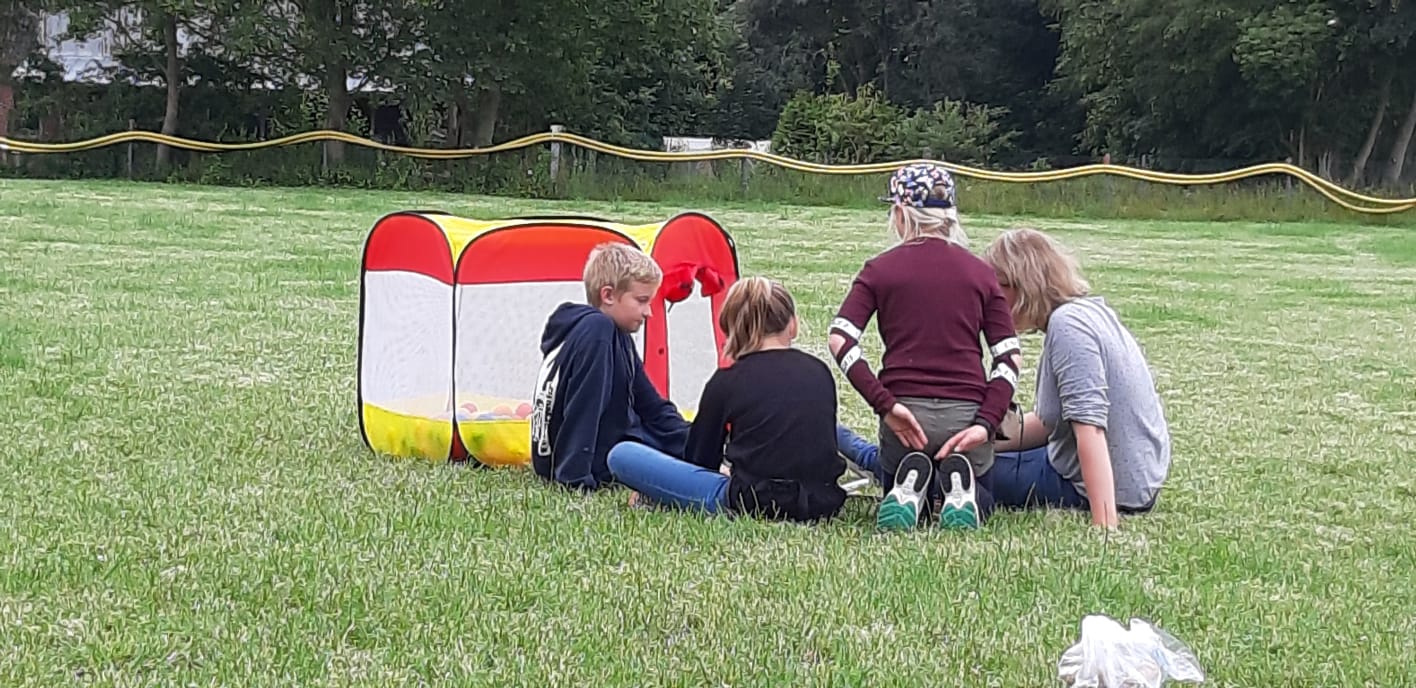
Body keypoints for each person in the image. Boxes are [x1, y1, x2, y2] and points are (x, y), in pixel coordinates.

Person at [829, 163, 1022, 531]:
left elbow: (840, 338)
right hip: (966, 417)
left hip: (906, 416)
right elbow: (1008, 358)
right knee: (984, 498)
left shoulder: (879, 270)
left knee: (897, 473)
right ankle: (960, 491)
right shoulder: (981, 274)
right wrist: (985, 423)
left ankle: (909, 488)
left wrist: (885, 405)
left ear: (901, 214)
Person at [607, 277, 882, 522]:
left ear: (731, 329)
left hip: (752, 501)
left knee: (622, 455)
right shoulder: (819, 371)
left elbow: (700, 460)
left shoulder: (726, 382)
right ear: (793, 324)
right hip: (822, 501)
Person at [981, 228, 1172, 529]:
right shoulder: (1090, 312)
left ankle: (888, 464)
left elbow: (1090, 427)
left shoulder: (1068, 328)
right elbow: (1048, 423)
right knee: (973, 457)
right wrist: (981, 438)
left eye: (995, 291)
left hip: (1106, 487)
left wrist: (1105, 525)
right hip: (1130, 478)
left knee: (959, 474)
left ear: (1022, 286)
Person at [530, 242, 691, 491]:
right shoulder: (597, 330)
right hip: (594, 458)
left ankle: (714, 457)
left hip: (601, 449)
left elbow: (652, 408)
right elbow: (584, 403)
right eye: (641, 300)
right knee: (680, 473)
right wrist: (574, 479)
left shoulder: (614, 335)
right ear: (608, 295)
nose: (648, 312)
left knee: (674, 442)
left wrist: (701, 444)